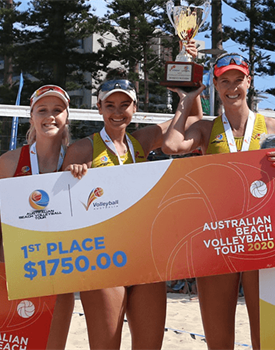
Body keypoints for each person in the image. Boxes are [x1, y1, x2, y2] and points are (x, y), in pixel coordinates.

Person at [160, 52, 275, 350]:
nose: (233, 88)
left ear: (249, 82)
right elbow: (171, 145)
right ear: (215, 85)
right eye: (225, 81)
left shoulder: (272, 127)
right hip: (220, 237)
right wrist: (187, 97)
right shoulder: (206, 129)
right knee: (218, 340)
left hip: (259, 234)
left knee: (265, 335)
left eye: (238, 80)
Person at [62, 77, 202, 350]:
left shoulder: (141, 140)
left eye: (124, 104)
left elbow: (193, 122)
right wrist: (70, 177)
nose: (117, 112)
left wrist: (189, 90)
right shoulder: (82, 149)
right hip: (103, 259)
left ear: (135, 108)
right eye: (110, 105)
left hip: (144, 257)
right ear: (99, 108)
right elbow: (67, 209)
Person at [0, 85, 75, 350]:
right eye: (42, 110)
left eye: (58, 110)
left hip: (61, 271)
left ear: (67, 116)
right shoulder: (10, 162)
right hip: (17, 270)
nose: (50, 116)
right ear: (31, 116)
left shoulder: (77, 159)